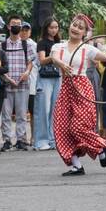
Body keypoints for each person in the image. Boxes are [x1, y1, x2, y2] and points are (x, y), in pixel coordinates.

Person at [50, 14, 106, 176]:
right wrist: (63, 64)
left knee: (78, 127)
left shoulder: (88, 49)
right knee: (61, 129)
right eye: (74, 25)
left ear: (85, 33)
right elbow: (54, 59)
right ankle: (76, 165)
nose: (75, 29)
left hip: (83, 89)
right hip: (65, 89)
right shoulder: (58, 47)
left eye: (80, 27)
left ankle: (100, 146)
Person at [0, 15, 33, 152]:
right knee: (6, 115)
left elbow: (30, 62)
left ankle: (21, 140)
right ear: (8, 26)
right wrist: (7, 78)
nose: (16, 26)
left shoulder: (27, 44)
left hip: (22, 84)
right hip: (6, 85)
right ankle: (7, 140)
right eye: (14, 24)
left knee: (21, 114)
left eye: (18, 24)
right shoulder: (1, 45)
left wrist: (27, 72)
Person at [34, 18, 61, 151]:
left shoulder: (59, 43)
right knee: (43, 109)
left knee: (56, 109)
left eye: (56, 27)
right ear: (46, 28)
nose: (54, 30)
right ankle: (41, 141)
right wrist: (54, 57)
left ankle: (53, 139)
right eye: (51, 27)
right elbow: (42, 60)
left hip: (58, 77)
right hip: (45, 77)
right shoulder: (42, 42)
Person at [20, 22, 39, 146]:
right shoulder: (14, 44)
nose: (24, 33)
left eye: (26, 30)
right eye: (22, 30)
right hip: (19, 82)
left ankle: (33, 136)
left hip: (32, 82)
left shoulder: (34, 45)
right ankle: (22, 138)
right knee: (21, 112)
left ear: (30, 32)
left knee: (33, 112)